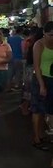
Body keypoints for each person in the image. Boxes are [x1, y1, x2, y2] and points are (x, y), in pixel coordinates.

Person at [32, 21, 53, 149]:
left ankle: (44, 133)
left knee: (49, 109)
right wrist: (42, 85)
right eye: (51, 35)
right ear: (44, 33)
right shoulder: (39, 45)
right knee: (38, 109)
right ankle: (36, 137)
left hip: (51, 78)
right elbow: (36, 66)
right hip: (40, 78)